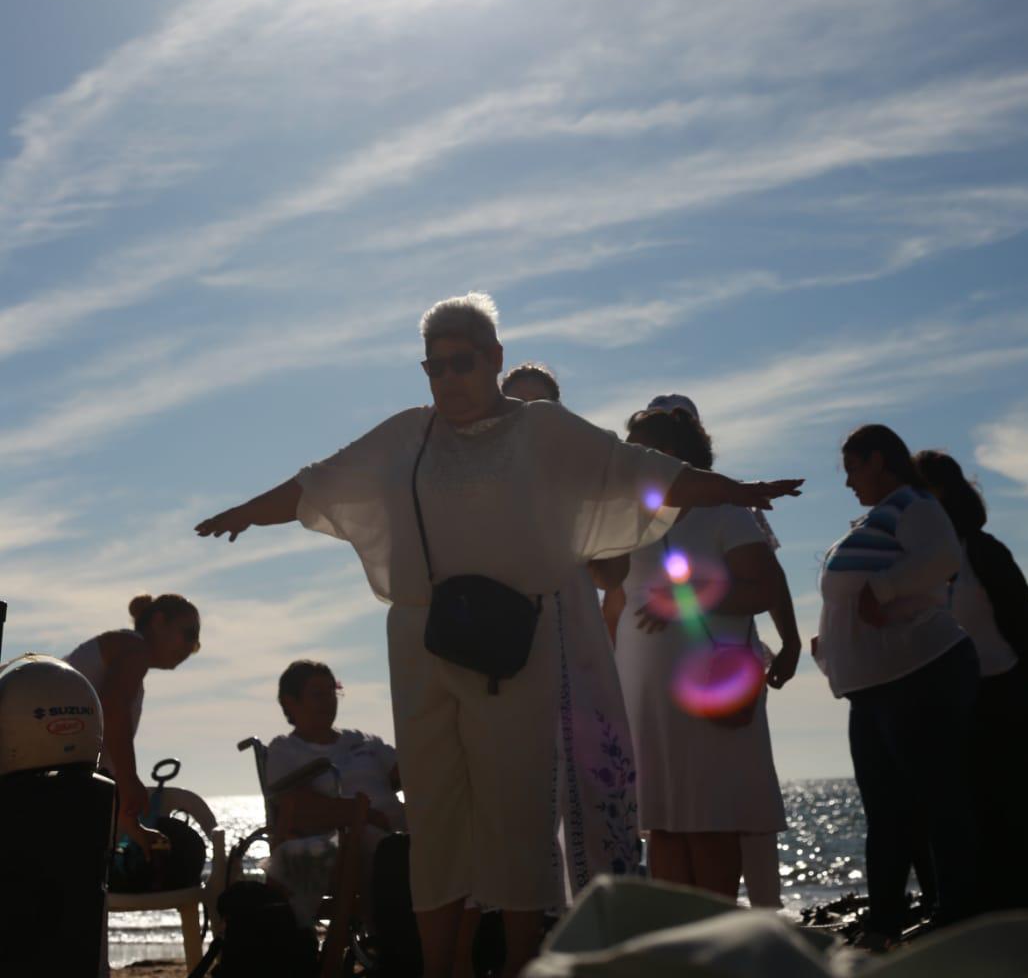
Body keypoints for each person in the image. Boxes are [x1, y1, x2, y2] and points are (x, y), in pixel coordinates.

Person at [197, 292, 802, 978]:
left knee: (517, 812)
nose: (449, 378)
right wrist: (246, 511)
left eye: (463, 363)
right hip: (422, 640)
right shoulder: (406, 435)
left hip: (512, 646)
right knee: (435, 819)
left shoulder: (541, 428)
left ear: (494, 359)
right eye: (435, 366)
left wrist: (735, 490)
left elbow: (638, 471)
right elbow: (320, 484)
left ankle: (518, 962)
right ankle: (439, 969)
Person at [608, 406, 788, 904]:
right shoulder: (629, 520)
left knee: (710, 822)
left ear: (671, 455)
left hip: (708, 691)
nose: (632, 462)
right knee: (663, 825)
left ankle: (714, 935)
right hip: (646, 695)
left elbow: (766, 588)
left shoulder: (723, 513)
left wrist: (684, 602)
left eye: (642, 451)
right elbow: (610, 596)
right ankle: (679, 938)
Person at [814, 424, 977, 950]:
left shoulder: (914, 504)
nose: (848, 483)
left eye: (852, 469)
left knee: (936, 801)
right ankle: (884, 925)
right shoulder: (876, 518)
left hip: (920, 672)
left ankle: (958, 919)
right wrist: (831, 647)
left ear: (878, 460)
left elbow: (944, 557)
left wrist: (882, 588)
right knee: (885, 812)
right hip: (875, 688)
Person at [502, 358, 641, 892]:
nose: (530, 416)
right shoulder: (479, 480)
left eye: (540, 405)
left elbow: (612, 574)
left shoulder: (583, 479)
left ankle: (604, 910)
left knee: (596, 775)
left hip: (576, 637)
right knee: (521, 786)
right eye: (517, 406)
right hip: (506, 647)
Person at [915, 450, 1028, 911]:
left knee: (1012, 816)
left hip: (1002, 697)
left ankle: (1019, 920)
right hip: (946, 703)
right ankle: (964, 917)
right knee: (957, 818)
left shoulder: (985, 551)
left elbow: (1024, 627)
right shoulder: (919, 559)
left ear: (940, 491)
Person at [265, 660, 405, 929]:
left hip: (403, 832)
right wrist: (364, 815)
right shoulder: (284, 751)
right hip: (355, 841)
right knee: (393, 852)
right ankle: (392, 940)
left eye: (333, 692)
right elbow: (297, 807)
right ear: (290, 702)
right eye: (318, 694)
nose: (329, 701)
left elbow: (413, 773)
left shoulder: (363, 741)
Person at [67, 593, 201, 848]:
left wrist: (132, 825)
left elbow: (107, 746)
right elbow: (113, 709)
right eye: (189, 634)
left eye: (196, 644)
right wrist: (129, 778)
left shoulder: (127, 653)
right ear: (159, 622)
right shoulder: (135, 648)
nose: (191, 647)